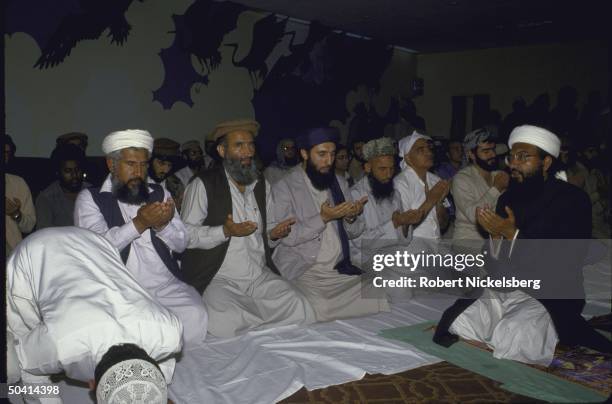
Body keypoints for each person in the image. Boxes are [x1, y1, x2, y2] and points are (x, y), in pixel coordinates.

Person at [434, 125, 612, 364]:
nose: (513, 164)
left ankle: (548, 327)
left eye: (522, 157)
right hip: (508, 286)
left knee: (513, 337)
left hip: (550, 291)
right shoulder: (508, 198)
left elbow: (567, 260)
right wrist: (496, 238)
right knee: (458, 324)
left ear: (546, 162)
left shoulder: (573, 200)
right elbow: (495, 267)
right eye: (511, 157)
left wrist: (513, 234)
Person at [7, 227, 182, 404]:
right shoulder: (61, 345)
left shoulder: (170, 333)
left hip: (94, 241)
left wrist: (151, 391)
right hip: (34, 252)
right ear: (92, 385)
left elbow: (160, 370)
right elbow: (30, 370)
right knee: (13, 367)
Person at [180, 119, 315, 337]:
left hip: (257, 275)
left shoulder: (261, 183)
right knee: (224, 319)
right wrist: (224, 231)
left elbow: (267, 232)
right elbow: (185, 235)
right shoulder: (202, 184)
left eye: (250, 145)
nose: (247, 151)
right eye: (239, 145)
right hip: (219, 277)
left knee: (298, 305)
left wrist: (274, 234)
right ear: (222, 150)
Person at [74, 129, 208, 346]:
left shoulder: (159, 193)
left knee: (195, 315)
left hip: (165, 285)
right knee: (140, 331)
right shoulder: (90, 199)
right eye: (131, 164)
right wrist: (139, 224)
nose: (139, 172)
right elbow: (95, 249)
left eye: (144, 164)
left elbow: (182, 244)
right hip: (121, 288)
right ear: (112, 165)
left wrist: (163, 225)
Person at [271, 127, 389, 321]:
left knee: (376, 288)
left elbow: (353, 232)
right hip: (305, 269)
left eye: (332, 154)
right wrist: (323, 218)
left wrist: (351, 217)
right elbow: (288, 236)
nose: (329, 161)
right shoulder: (285, 187)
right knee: (317, 305)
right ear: (304, 154)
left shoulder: (339, 183)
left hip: (336, 269)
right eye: (322, 154)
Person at [349, 137, 423, 265]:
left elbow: (404, 240)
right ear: (367, 167)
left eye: (391, 168)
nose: (389, 174)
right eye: (382, 169)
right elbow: (359, 242)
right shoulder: (355, 195)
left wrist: (405, 223)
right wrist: (395, 223)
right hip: (365, 265)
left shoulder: (395, 194)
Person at [451, 129, 509, 251]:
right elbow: (475, 216)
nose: (492, 155)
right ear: (471, 154)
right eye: (486, 151)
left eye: (493, 149)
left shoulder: (499, 175)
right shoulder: (461, 179)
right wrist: (497, 188)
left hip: (495, 246)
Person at [394, 131, 450, 242]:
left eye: (429, 148)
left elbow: (443, 224)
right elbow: (402, 229)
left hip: (436, 247)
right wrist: (431, 200)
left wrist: (439, 202)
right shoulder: (400, 183)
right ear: (408, 158)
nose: (428, 153)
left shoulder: (436, 180)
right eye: (420, 150)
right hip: (412, 250)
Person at [35, 144, 90, 229]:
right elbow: (44, 233)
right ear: (58, 172)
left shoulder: (92, 192)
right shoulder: (46, 198)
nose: (74, 175)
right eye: (68, 171)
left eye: (77, 169)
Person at [5, 135, 36, 255]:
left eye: (7, 153)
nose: (4, 157)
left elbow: (29, 226)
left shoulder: (18, 183)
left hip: (12, 255)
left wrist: (16, 214)